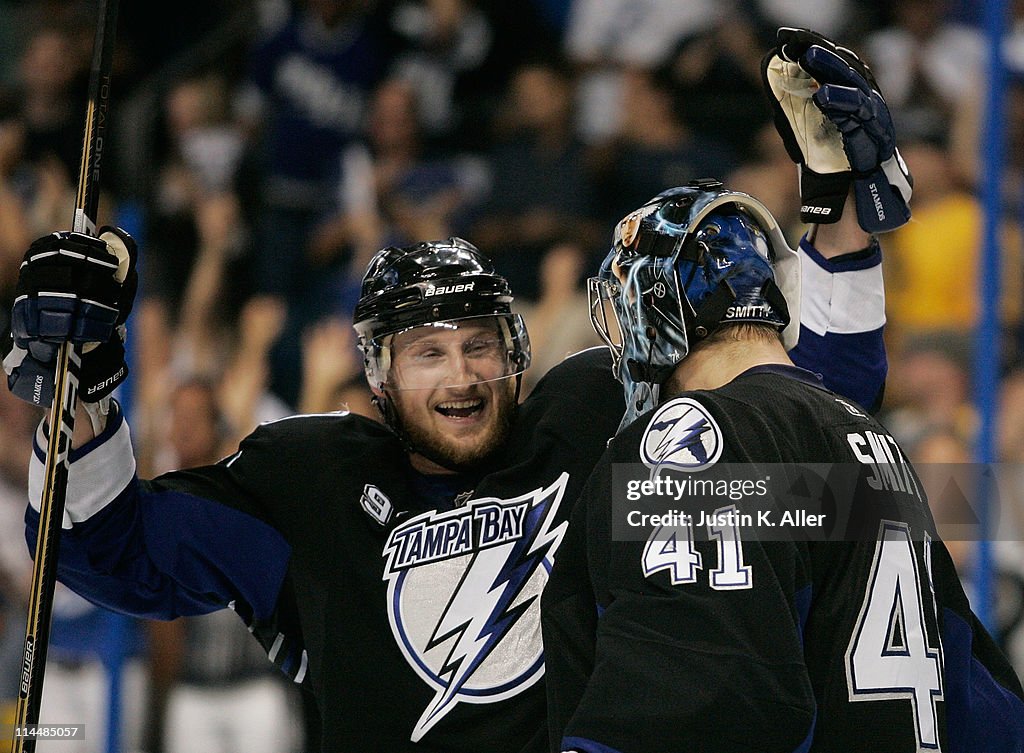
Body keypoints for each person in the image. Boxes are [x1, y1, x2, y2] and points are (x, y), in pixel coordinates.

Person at [4, 27, 899, 753]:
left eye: (479, 344)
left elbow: (804, 420)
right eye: (428, 352)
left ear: (514, 350)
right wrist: (82, 391)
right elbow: (112, 552)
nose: (463, 373)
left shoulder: (594, 416)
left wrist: (839, 222)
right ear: (378, 372)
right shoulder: (307, 483)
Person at [540, 30, 1024, 753]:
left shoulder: (692, 440)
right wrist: (839, 214)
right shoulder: (868, 439)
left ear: (663, 318)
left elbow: (704, 699)